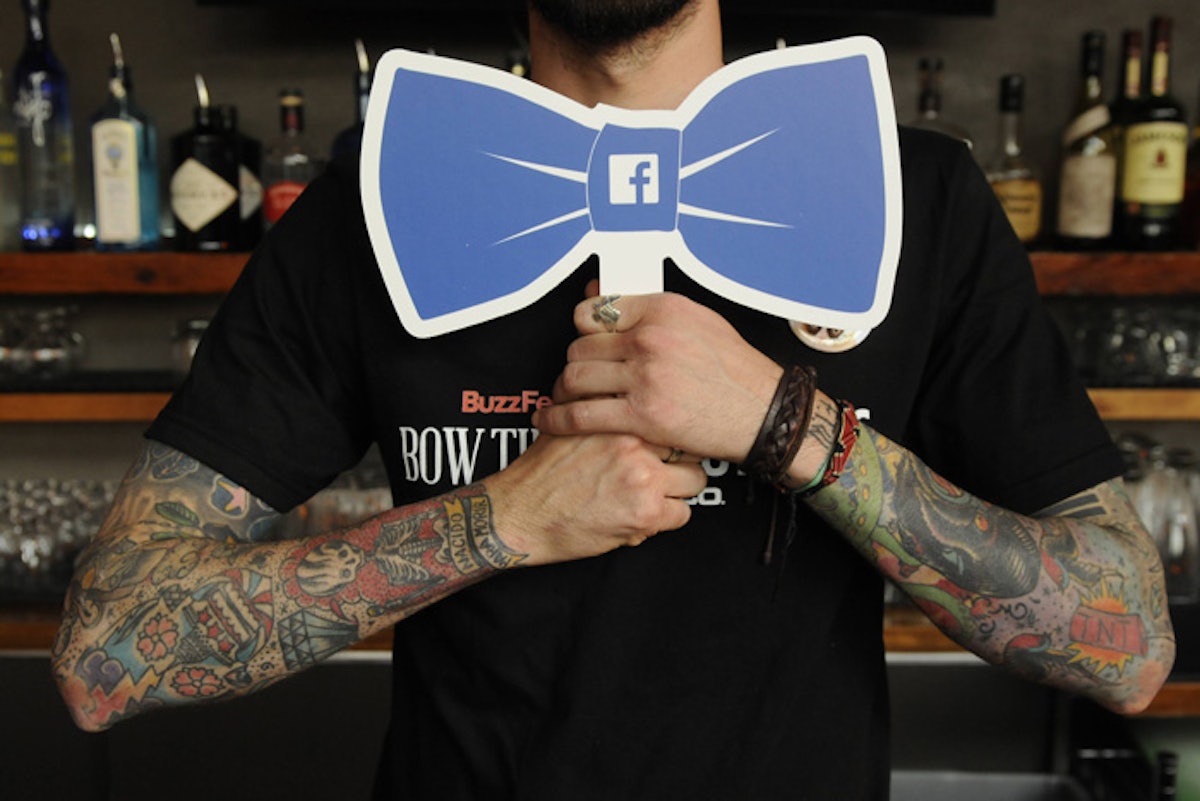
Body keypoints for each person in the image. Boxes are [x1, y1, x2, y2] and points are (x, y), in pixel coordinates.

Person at [53, 1, 1174, 798]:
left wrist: (789, 428)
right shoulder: (374, 204)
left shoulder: (917, 198)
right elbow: (106, 651)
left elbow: (1127, 648)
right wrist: (499, 520)